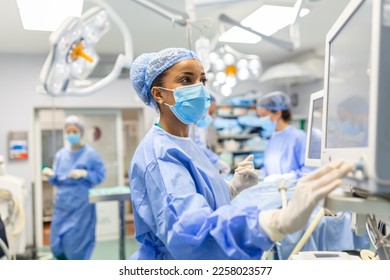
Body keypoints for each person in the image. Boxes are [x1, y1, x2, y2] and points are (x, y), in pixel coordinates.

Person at [128, 47, 352, 260]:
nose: (200, 88)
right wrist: (273, 222)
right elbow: (188, 230)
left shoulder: (184, 143)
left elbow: (198, 198)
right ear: (158, 94)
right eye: (186, 80)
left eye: (202, 80)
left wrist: (232, 187)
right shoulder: (160, 154)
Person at [42, 115, 106, 260]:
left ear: (81, 133)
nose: (71, 134)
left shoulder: (90, 154)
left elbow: (100, 175)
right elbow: (57, 181)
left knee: (77, 243)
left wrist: (85, 173)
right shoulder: (61, 155)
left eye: (74, 131)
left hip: (80, 205)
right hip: (62, 206)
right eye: (68, 131)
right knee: (57, 243)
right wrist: (50, 175)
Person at [256, 91, 312, 180]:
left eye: (263, 115)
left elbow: (309, 171)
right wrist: (257, 174)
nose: (261, 119)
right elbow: (268, 168)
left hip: (293, 191)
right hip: (275, 190)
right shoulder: (273, 138)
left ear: (278, 113)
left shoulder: (298, 137)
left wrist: (287, 178)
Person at [193, 95, 231, 177]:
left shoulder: (201, 126)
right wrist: (216, 161)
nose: (212, 115)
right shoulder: (190, 127)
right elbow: (198, 147)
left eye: (213, 112)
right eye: (210, 112)